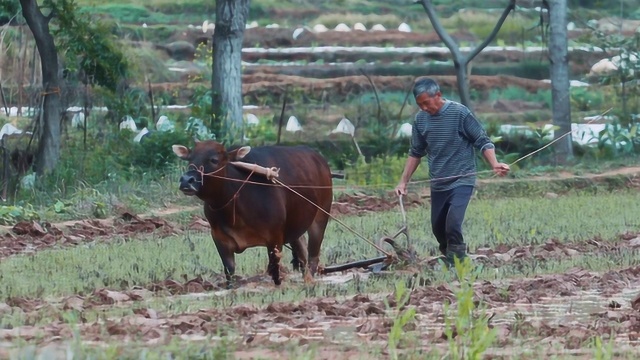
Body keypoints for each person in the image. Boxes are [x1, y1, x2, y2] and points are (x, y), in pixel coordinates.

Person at [394, 77, 510, 268]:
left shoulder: (459, 113)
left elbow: (482, 140)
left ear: (438, 95)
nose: (423, 108)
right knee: (438, 228)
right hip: (438, 182)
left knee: (453, 224)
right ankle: (451, 260)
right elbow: (415, 152)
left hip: (462, 180)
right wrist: (403, 182)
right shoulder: (420, 120)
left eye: (426, 103)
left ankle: (459, 265)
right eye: (419, 104)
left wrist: (494, 163)